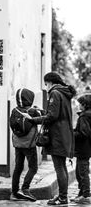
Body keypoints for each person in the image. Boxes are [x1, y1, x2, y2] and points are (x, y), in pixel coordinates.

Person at [31, 72, 76, 205]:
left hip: (58, 135)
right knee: (61, 166)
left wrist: (34, 120)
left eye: (46, 84)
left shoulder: (55, 93)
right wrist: (42, 112)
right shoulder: (64, 93)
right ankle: (63, 196)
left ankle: (62, 197)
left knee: (59, 167)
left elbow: (52, 116)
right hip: (64, 134)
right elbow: (56, 113)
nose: (45, 87)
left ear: (51, 82)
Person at [9, 88, 42, 202]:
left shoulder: (15, 110)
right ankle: (25, 189)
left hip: (17, 144)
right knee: (33, 167)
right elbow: (45, 117)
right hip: (29, 145)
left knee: (18, 167)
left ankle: (14, 192)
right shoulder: (33, 111)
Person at [71, 94, 91, 204]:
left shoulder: (84, 117)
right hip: (86, 149)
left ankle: (85, 195)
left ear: (85, 105)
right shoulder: (86, 115)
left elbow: (83, 133)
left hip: (83, 149)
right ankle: (81, 193)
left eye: (80, 104)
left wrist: (72, 133)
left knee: (82, 173)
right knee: (80, 172)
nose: (79, 105)